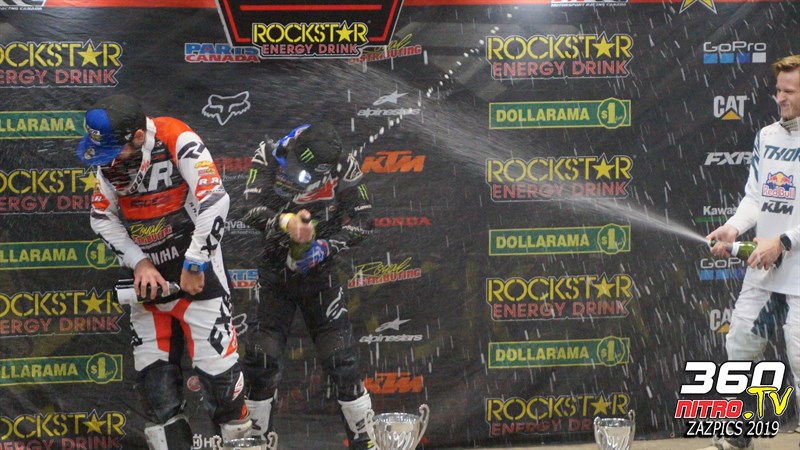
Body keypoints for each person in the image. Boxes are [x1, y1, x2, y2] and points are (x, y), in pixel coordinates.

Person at [75, 94, 251, 449]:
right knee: (157, 395)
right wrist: (138, 261)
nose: (108, 163)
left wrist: (195, 261)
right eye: (103, 155)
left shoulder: (176, 138)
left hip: (197, 277)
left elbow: (216, 199)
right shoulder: (107, 159)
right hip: (149, 283)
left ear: (139, 136)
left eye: (114, 153)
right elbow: (100, 217)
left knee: (223, 389)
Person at [237, 122, 375, 449]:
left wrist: (326, 247)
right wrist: (284, 223)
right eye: (296, 167)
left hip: (321, 273)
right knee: (262, 360)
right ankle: (254, 443)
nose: (298, 177)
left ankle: (366, 442)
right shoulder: (269, 152)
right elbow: (246, 209)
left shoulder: (343, 163)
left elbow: (365, 219)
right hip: (275, 274)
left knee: (341, 360)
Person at [704, 54, 800, 450]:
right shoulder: (767, 136)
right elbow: (755, 197)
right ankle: (738, 436)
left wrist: (784, 241)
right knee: (739, 345)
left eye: (789, 91)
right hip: (765, 270)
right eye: (778, 90)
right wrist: (733, 227)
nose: (781, 98)